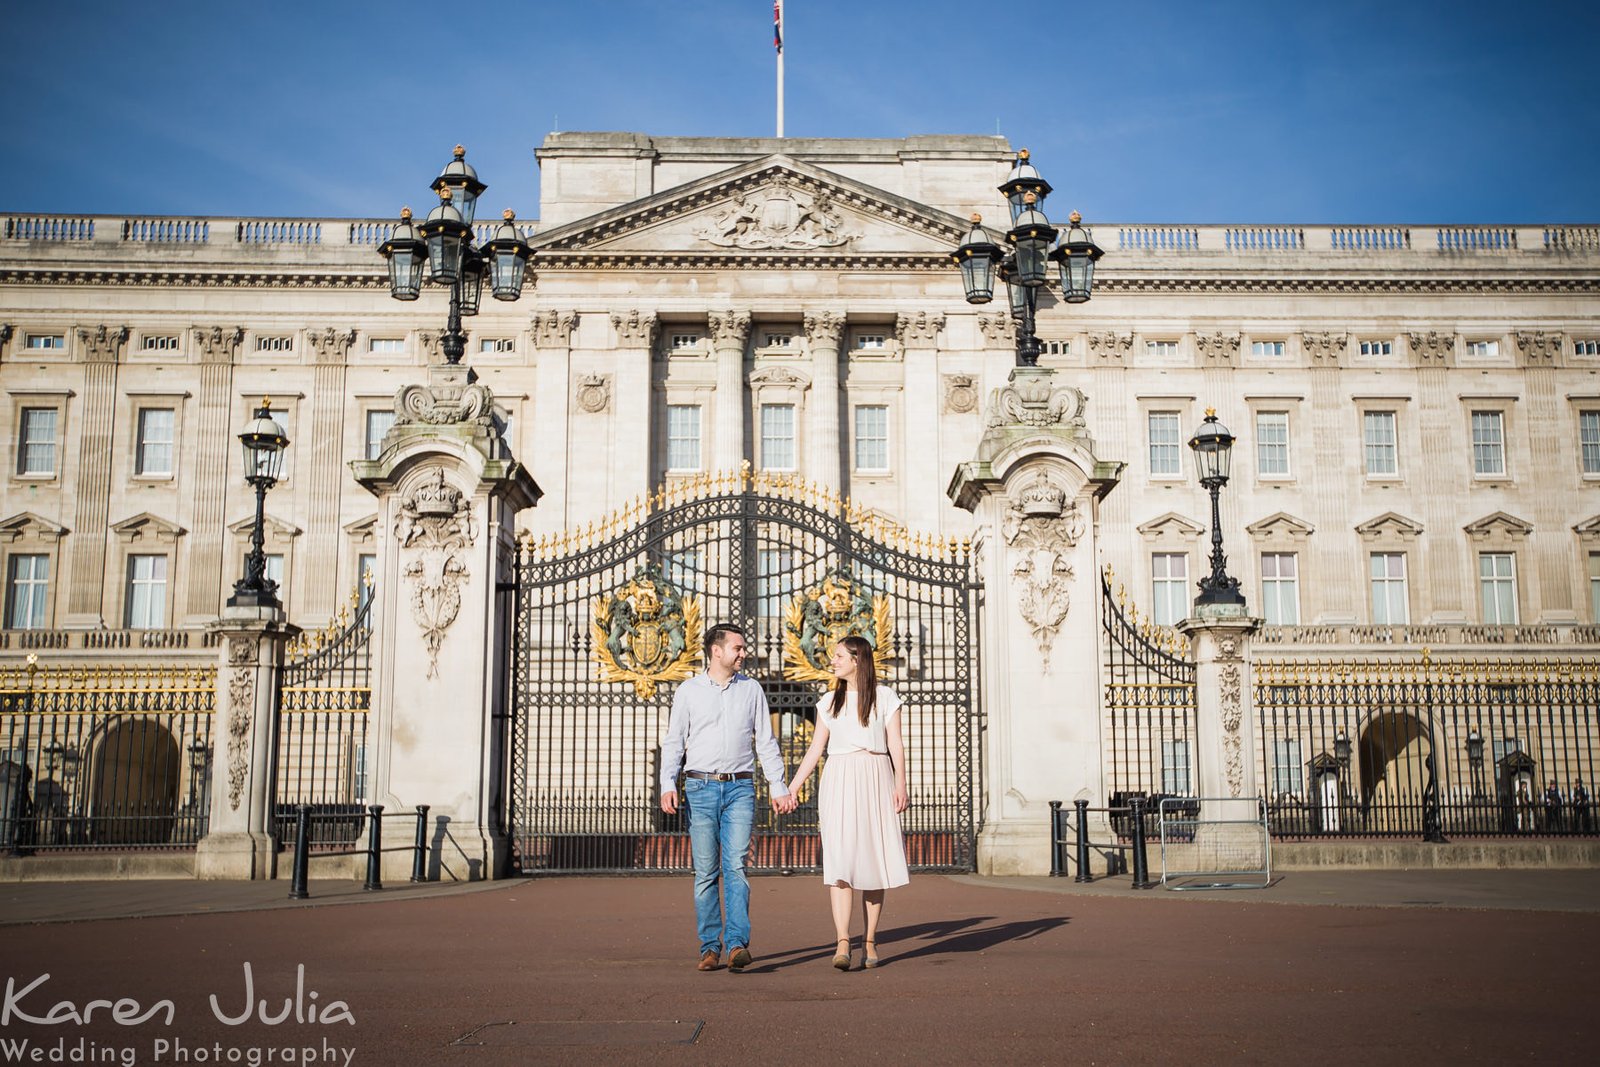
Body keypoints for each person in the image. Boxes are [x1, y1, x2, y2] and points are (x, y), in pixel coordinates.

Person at [660, 623, 795, 973]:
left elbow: (765, 741)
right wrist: (667, 783)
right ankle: (709, 946)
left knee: (736, 866)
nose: (743, 653)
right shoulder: (688, 691)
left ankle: (736, 944)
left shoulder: (751, 690)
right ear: (716, 651)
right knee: (705, 871)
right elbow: (675, 741)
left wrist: (778, 786)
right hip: (700, 787)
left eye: (743, 647)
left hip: (740, 787)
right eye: (737, 647)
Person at [786, 634, 909, 971]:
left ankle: (869, 940)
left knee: (873, 861)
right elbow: (815, 750)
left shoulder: (884, 698)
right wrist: (793, 786)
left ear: (858, 659)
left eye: (839, 655)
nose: (833, 660)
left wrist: (901, 783)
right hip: (839, 778)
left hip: (876, 775)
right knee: (840, 861)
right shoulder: (828, 702)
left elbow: (895, 744)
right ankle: (842, 941)